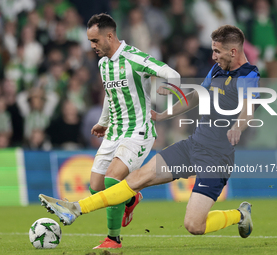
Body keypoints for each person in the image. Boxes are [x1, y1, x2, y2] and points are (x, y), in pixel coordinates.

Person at [40, 24, 258, 243]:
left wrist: (238, 127)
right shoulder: (218, 69)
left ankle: (240, 215)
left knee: (194, 225)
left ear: (233, 51)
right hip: (193, 146)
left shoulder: (249, 76)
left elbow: (248, 109)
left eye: (217, 51)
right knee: (135, 179)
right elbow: (196, 96)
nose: (213, 56)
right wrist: (164, 115)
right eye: (212, 50)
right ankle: (75, 208)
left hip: (216, 158)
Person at [41, 13, 180, 249]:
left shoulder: (135, 58)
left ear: (109, 36)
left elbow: (172, 74)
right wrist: (102, 120)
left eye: (95, 41)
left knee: (112, 180)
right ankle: (131, 197)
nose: (92, 46)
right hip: (114, 132)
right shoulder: (103, 63)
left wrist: (168, 86)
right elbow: (109, 94)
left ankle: (113, 239)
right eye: (90, 42)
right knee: (96, 186)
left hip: (138, 131)